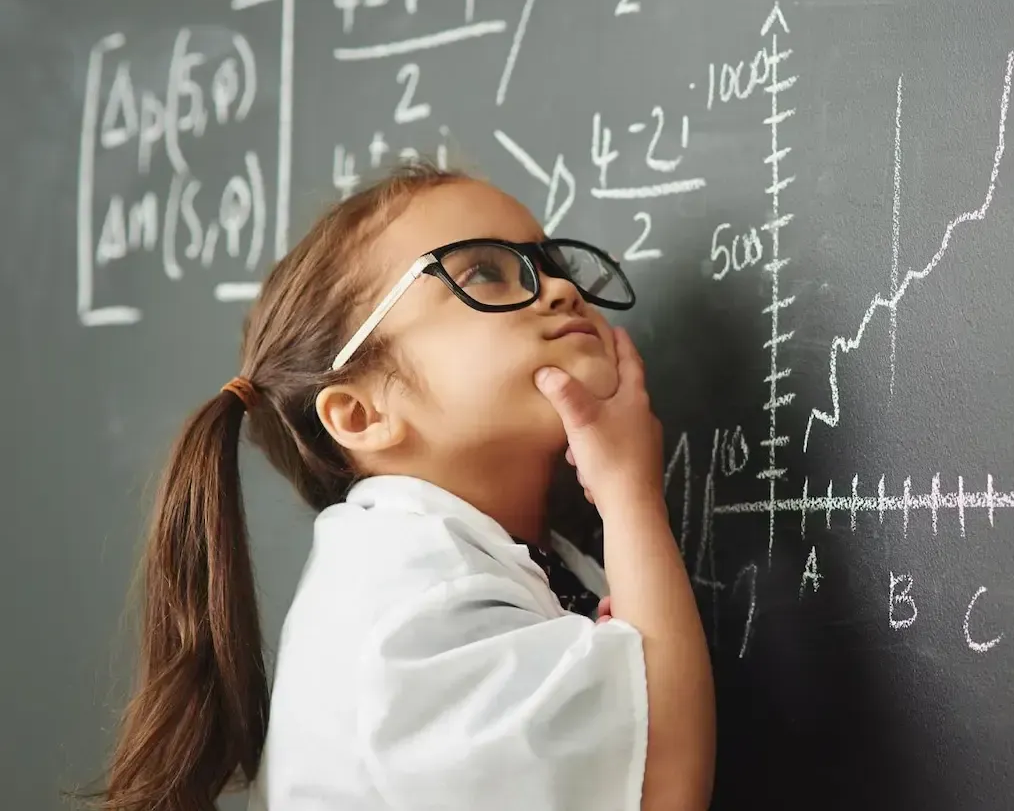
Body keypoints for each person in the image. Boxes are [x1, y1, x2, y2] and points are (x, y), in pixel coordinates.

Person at [90, 162, 715, 811]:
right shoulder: (409, 603)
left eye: (553, 265)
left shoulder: (509, 559)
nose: (558, 289)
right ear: (362, 414)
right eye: (481, 272)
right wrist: (628, 494)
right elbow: (663, 789)